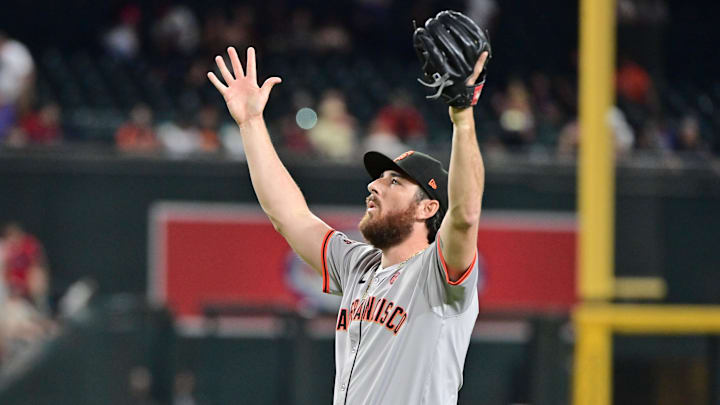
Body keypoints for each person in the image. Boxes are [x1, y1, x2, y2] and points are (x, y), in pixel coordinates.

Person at [208, 45, 487, 404]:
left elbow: (464, 215)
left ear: (427, 207)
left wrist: (463, 116)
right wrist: (251, 123)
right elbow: (289, 215)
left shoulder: (438, 275)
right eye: (379, 178)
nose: (374, 185)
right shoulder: (358, 265)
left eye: (394, 181)